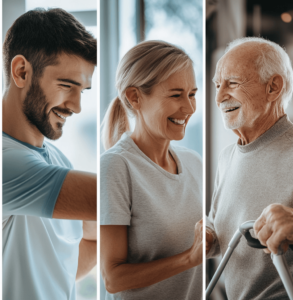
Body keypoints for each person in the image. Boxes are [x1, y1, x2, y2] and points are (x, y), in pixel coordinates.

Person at [2, 9, 97, 300]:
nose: (77, 106)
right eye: (67, 86)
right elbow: (111, 197)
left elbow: (85, 244)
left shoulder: (57, 160)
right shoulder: (5, 161)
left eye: (83, 90)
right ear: (21, 72)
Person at [100, 40, 203, 300]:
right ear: (135, 97)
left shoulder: (194, 163)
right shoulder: (116, 166)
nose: (189, 108)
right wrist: (189, 258)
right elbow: (113, 278)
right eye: (176, 95)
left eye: (192, 94)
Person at [206, 37, 293, 300]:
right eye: (217, 85)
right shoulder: (227, 158)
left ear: (273, 88)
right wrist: (208, 236)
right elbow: (219, 226)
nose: (220, 96)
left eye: (232, 83)